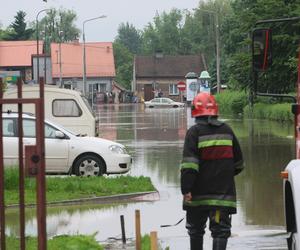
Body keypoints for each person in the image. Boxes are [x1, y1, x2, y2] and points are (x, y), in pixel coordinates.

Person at [180, 92, 244, 250]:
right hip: (222, 198)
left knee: (195, 231)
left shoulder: (194, 133)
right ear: (215, 111)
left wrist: (186, 188)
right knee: (220, 232)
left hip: (197, 197)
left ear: (195, 112)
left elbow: (189, 165)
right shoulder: (227, 131)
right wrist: (223, 175)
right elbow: (239, 164)